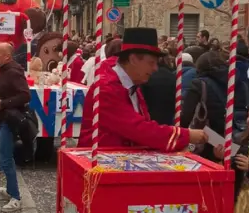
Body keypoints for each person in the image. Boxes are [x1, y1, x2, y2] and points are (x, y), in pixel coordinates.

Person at [76, 28, 205, 152]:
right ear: (133, 59)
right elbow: (138, 129)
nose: (155, 68)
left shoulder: (129, 83)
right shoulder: (106, 88)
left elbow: (143, 124)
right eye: (151, 63)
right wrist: (186, 135)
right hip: (98, 162)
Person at [0, 43, 30, 212]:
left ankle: (15, 197)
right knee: (5, 157)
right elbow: (0, 97)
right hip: (4, 119)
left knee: (5, 158)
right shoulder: (5, 70)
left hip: (10, 120)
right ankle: (11, 190)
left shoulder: (13, 72)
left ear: (7, 56)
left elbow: (25, 95)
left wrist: (3, 105)